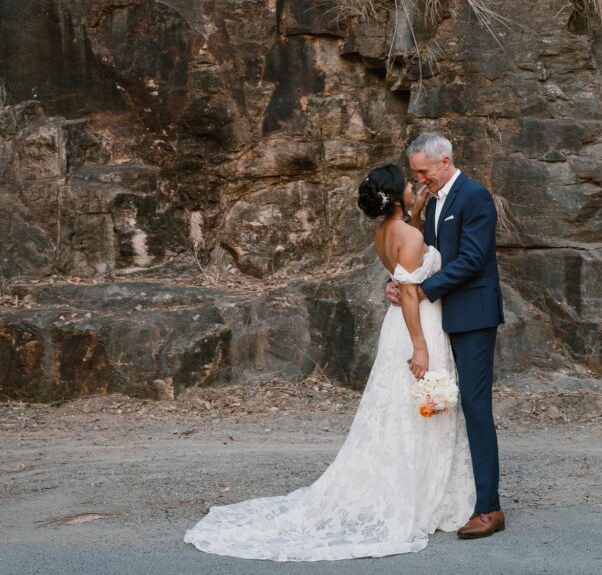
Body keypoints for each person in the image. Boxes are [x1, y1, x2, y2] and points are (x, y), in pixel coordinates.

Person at [184, 163, 475, 561]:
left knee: (401, 409)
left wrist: (417, 211)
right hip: (416, 326)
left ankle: (417, 490)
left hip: (398, 328)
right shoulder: (408, 234)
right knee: (417, 407)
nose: (414, 186)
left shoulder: (386, 231)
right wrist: (421, 346)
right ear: (395, 196)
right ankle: (423, 497)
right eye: (408, 184)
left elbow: (407, 257)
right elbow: (409, 294)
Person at [386, 132, 505, 539]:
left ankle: (489, 508)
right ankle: (450, 497)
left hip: (473, 316)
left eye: (424, 170)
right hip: (441, 317)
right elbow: (428, 256)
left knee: (474, 405)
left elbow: (474, 258)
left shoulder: (474, 196)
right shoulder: (434, 202)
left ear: (444, 161)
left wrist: (422, 290)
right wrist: (402, 282)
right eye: (415, 172)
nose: (420, 178)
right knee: (443, 407)